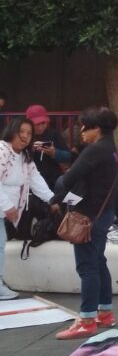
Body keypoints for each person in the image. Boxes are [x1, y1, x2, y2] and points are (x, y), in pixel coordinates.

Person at [50, 106, 118, 340]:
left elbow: (67, 179)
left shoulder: (94, 151)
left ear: (96, 129)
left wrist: (57, 196)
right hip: (104, 212)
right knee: (98, 261)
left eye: (84, 127)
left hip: (87, 216)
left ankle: (87, 320)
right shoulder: (112, 150)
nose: (81, 132)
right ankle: (105, 313)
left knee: (87, 266)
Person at [0, 116, 59, 300]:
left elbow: (36, 180)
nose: (25, 136)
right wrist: (7, 206)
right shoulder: (2, 150)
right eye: (21, 132)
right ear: (12, 131)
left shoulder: (25, 156)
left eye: (29, 133)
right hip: (4, 206)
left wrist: (51, 199)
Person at [25, 104, 73, 189]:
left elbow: (68, 156)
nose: (40, 127)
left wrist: (54, 153)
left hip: (51, 178)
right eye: (36, 124)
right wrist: (29, 148)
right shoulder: (24, 135)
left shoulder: (53, 134)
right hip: (28, 178)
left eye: (43, 123)